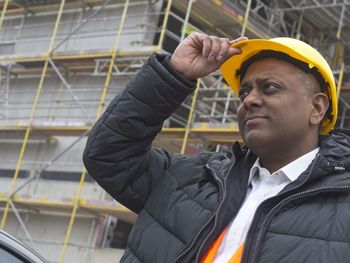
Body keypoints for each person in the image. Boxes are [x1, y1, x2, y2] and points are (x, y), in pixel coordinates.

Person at [83, 32, 350, 263]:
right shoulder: (190, 178)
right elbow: (108, 155)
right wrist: (173, 74)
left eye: (269, 88)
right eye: (244, 93)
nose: (250, 100)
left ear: (316, 108)